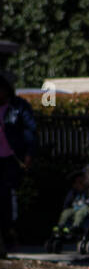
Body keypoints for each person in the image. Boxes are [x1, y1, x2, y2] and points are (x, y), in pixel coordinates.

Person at [0, 74, 37, 257]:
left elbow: (30, 130)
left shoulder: (18, 107)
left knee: (8, 196)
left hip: (12, 158)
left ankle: (10, 232)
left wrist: (29, 153)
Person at [47, 170, 89, 253]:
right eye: (77, 182)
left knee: (80, 213)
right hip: (75, 208)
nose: (79, 184)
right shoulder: (73, 192)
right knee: (66, 213)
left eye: (81, 182)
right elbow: (67, 203)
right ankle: (60, 226)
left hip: (85, 208)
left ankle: (75, 227)